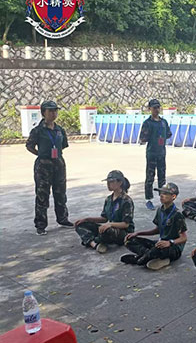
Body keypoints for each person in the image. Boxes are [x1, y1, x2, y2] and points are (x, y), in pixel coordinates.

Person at [26, 100, 73, 235]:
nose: (53, 113)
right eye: (50, 111)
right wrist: (41, 154)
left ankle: (63, 219)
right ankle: (40, 225)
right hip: (43, 166)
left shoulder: (60, 130)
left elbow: (63, 145)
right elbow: (29, 146)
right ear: (43, 113)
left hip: (59, 164)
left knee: (60, 193)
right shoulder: (38, 131)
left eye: (55, 111)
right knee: (42, 195)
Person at [121, 183, 187, 270]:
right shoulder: (160, 210)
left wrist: (170, 242)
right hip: (160, 244)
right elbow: (157, 230)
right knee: (129, 240)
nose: (161, 195)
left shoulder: (177, 214)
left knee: (158, 249)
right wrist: (137, 233)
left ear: (173, 196)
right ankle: (149, 256)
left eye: (165, 193)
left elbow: (183, 238)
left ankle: (139, 259)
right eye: (161, 193)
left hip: (173, 248)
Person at [74, 170, 134, 254]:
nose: (108, 184)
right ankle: (94, 244)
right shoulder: (108, 199)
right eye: (108, 182)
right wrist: (87, 219)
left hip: (122, 232)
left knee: (106, 231)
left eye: (111, 182)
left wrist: (110, 224)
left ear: (120, 182)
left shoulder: (126, 200)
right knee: (80, 225)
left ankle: (91, 240)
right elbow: (104, 218)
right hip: (109, 227)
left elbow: (126, 224)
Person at [139, 99, 172, 211]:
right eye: (154, 108)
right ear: (150, 109)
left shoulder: (163, 122)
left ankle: (164, 199)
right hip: (151, 153)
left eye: (158, 107)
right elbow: (142, 138)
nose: (156, 110)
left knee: (162, 177)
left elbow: (168, 134)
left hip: (161, 153)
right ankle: (149, 199)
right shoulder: (147, 123)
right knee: (150, 177)